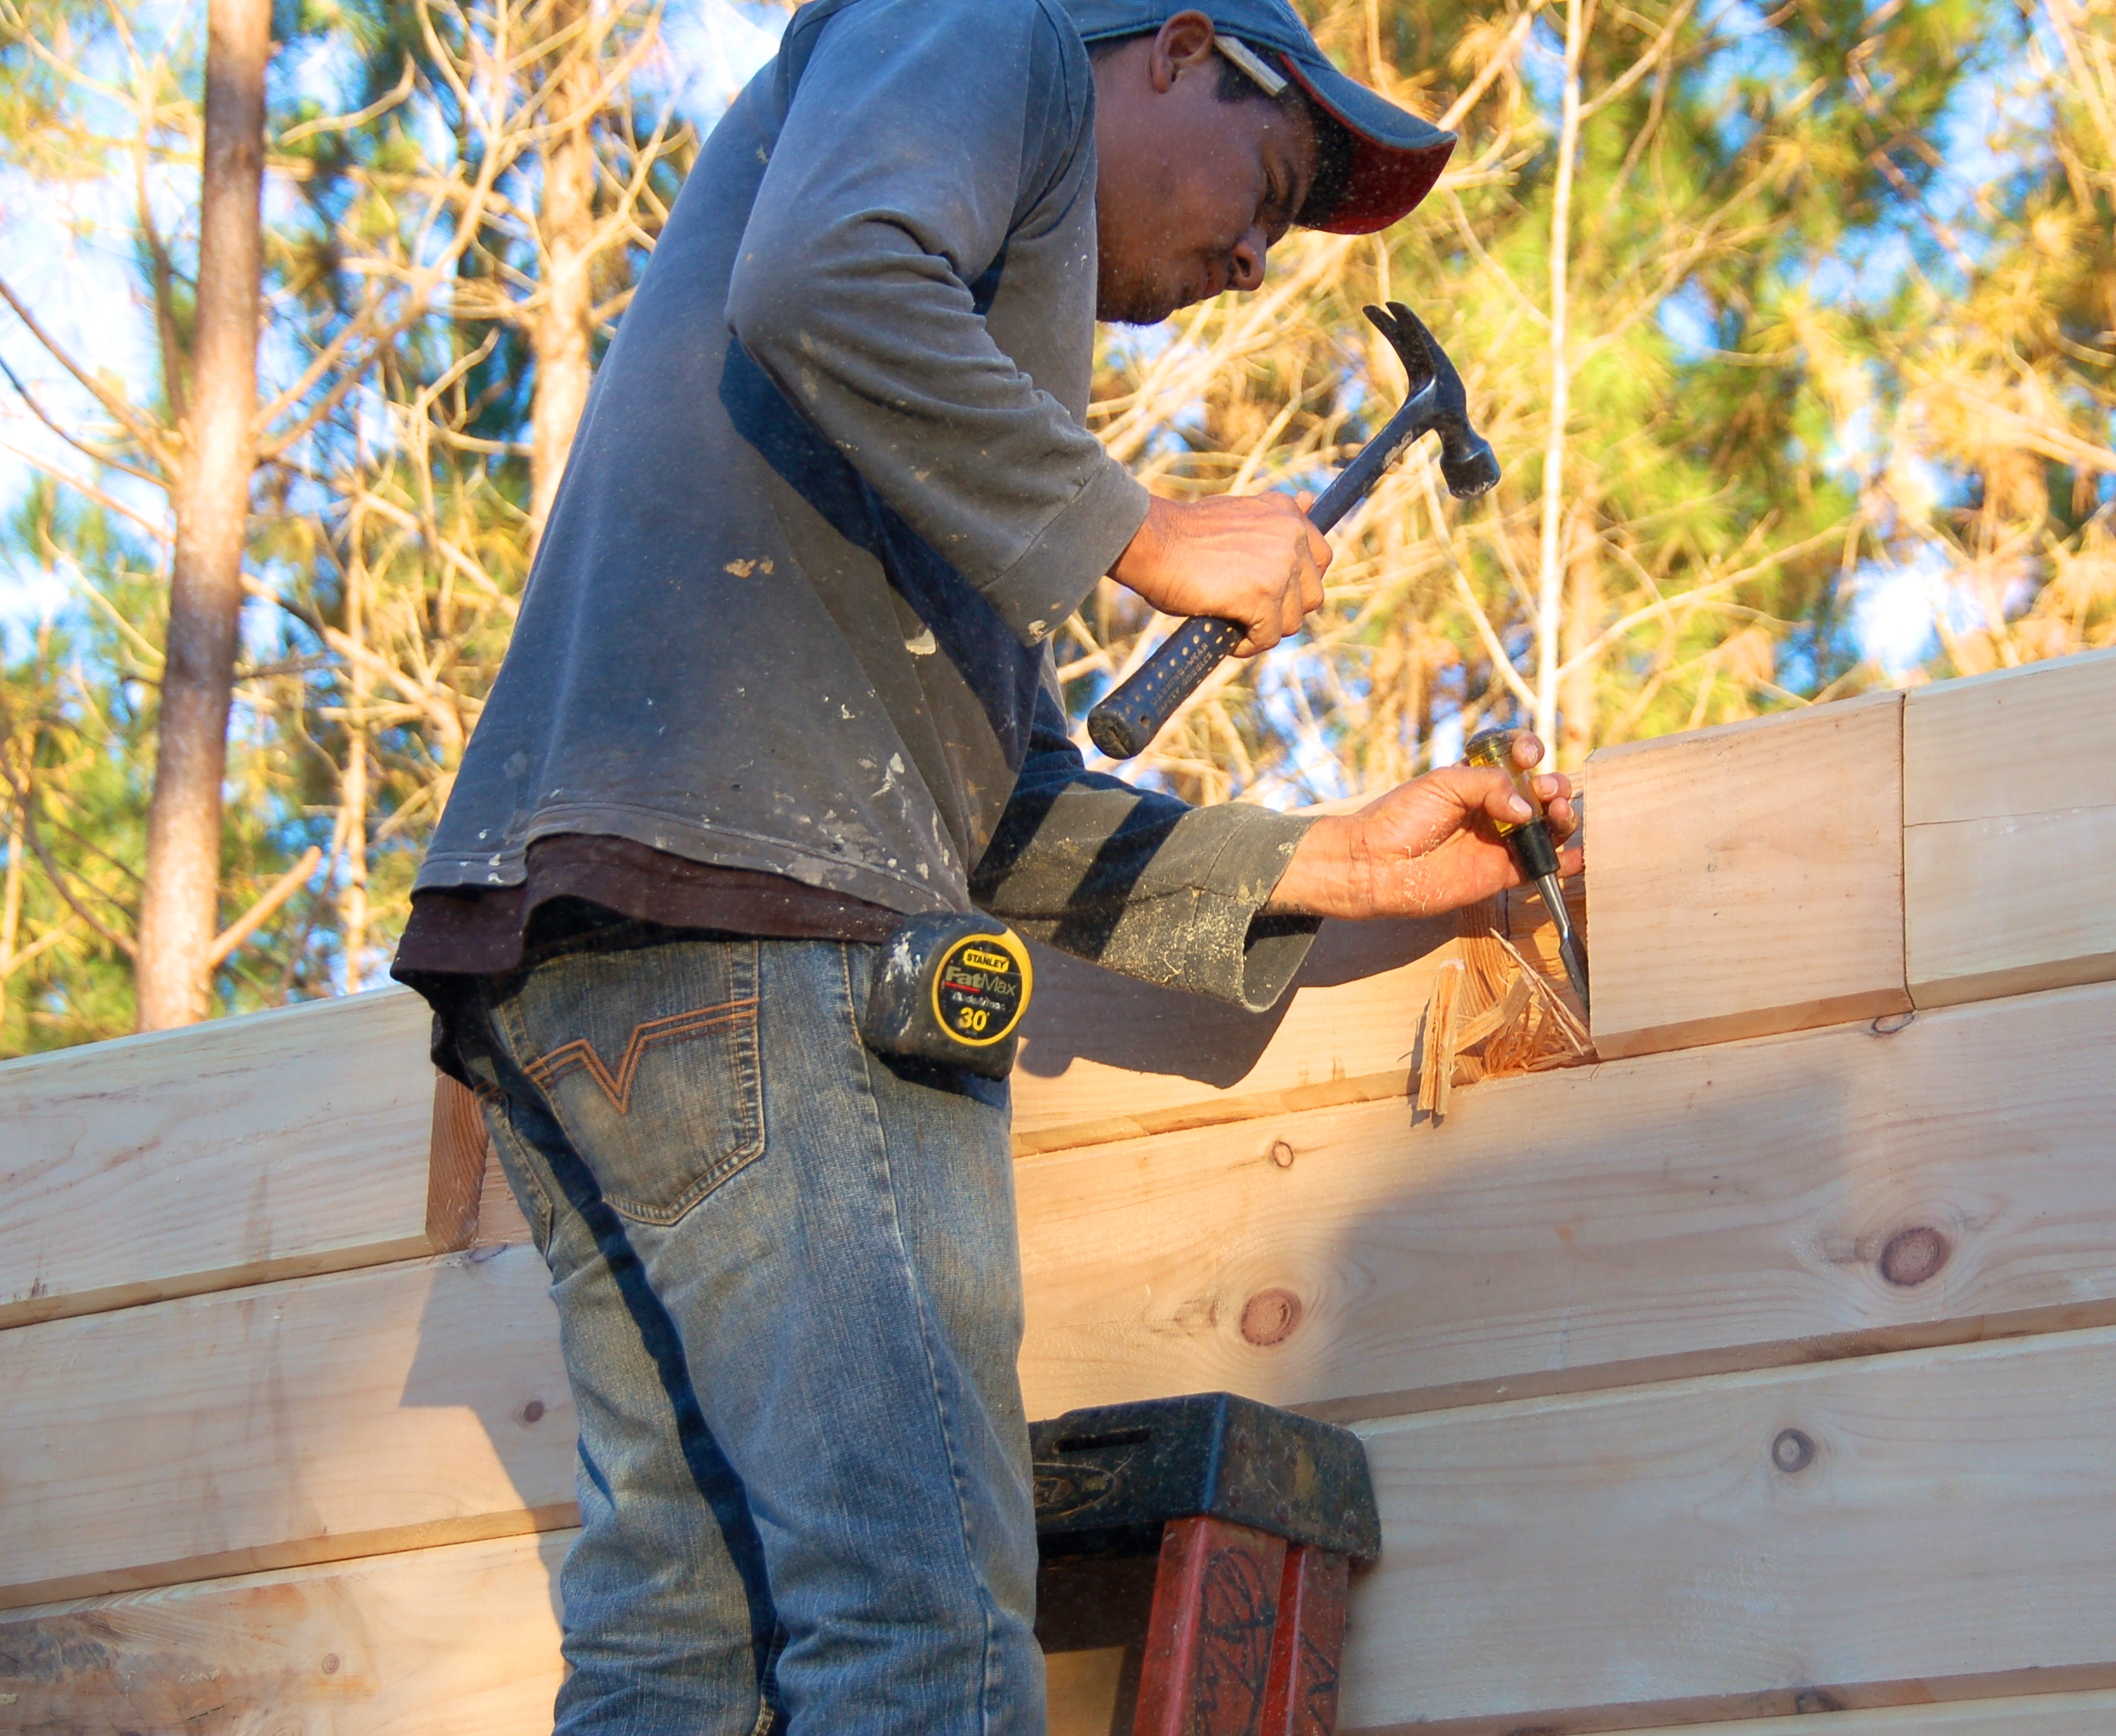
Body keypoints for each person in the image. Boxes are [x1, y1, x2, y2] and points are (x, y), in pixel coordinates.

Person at [391, 1, 1580, 1731]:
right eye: (1270, 186)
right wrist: (1139, 531)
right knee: (921, 1632)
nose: (1256, 259)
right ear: (1177, 47)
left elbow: (994, 816)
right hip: (767, 939)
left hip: (575, 949)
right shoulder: (992, 32)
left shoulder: (936, 410)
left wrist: (1329, 865)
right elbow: (825, 277)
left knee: (679, 1650)